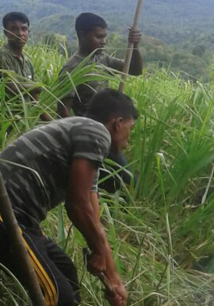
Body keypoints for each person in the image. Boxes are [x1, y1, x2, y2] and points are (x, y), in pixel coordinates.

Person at [0, 89, 136, 306]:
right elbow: (76, 205)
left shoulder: (83, 139)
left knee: (65, 271)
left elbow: (92, 218)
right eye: (130, 129)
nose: (128, 140)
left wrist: (113, 278)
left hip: (20, 222)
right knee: (58, 297)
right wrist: (101, 256)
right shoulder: (95, 133)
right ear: (118, 123)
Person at [57, 13, 143, 192]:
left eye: (105, 37)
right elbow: (63, 111)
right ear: (82, 35)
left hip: (110, 133)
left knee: (123, 183)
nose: (103, 42)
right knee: (118, 182)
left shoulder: (101, 59)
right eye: (98, 37)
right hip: (90, 137)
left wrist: (134, 46)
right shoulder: (71, 68)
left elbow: (134, 70)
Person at [0, 12, 51, 122]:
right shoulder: (1, 55)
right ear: (6, 33)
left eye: (24, 29)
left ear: (28, 32)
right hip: (3, 125)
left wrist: (53, 123)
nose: (20, 33)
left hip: (23, 124)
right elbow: (11, 88)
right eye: (14, 29)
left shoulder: (27, 62)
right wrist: (36, 86)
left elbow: (34, 100)